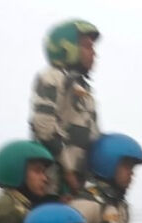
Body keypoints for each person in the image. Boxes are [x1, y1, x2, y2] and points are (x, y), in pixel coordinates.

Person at [29, 19, 100, 198]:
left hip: (78, 187)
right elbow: (44, 127)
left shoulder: (83, 89)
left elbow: (93, 136)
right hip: (54, 186)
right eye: (87, 46)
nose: (94, 54)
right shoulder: (52, 77)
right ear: (67, 47)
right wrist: (68, 173)